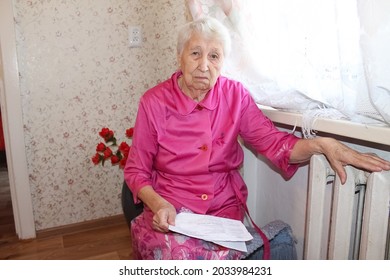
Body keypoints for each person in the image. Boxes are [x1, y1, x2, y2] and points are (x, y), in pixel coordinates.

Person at [124, 17, 390, 260]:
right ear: (180, 56)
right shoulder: (154, 102)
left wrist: (322, 144)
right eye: (195, 53)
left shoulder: (235, 95)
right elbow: (136, 171)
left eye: (214, 56)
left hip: (221, 213)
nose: (204, 65)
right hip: (171, 211)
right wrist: (159, 204)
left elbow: (274, 143)